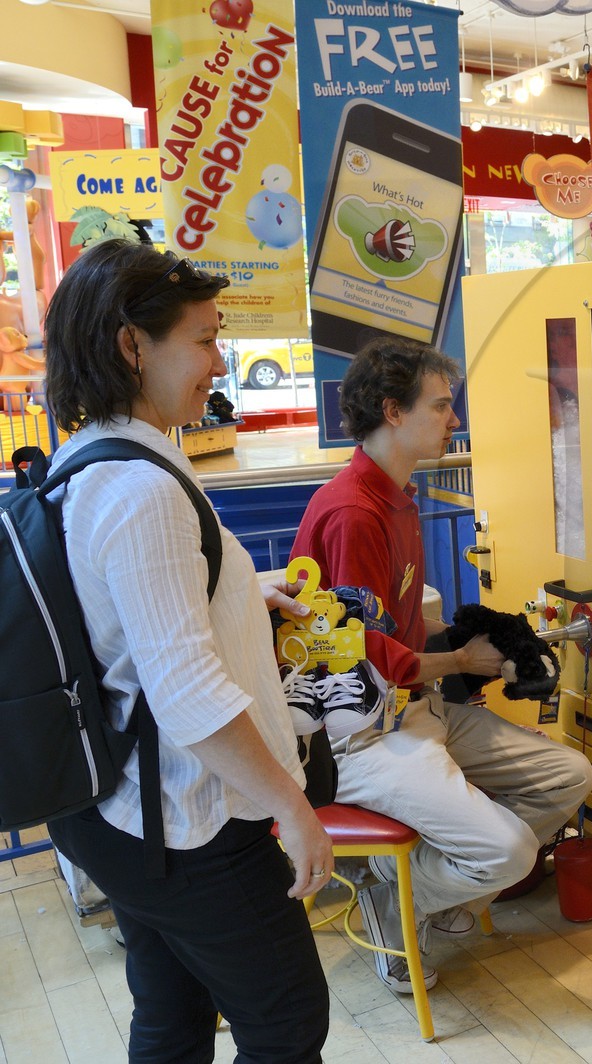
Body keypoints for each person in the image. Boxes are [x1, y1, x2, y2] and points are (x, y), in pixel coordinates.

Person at [41, 240, 333, 1062]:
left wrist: (246, 597)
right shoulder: (141, 491)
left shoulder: (91, 459)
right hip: (188, 826)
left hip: (114, 809)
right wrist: (292, 804)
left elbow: (136, 619)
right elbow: (186, 694)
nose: (218, 360)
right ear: (133, 345)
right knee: (284, 1026)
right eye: (203, 339)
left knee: (170, 1011)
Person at [290, 336, 592, 994]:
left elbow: (398, 623)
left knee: (569, 776)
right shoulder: (352, 513)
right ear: (393, 412)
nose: (453, 420)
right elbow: (361, 649)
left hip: (417, 711)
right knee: (509, 850)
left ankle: (422, 892)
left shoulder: (398, 497)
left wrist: (469, 645)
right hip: (361, 735)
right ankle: (394, 905)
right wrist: (458, 656)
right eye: (442, 405)